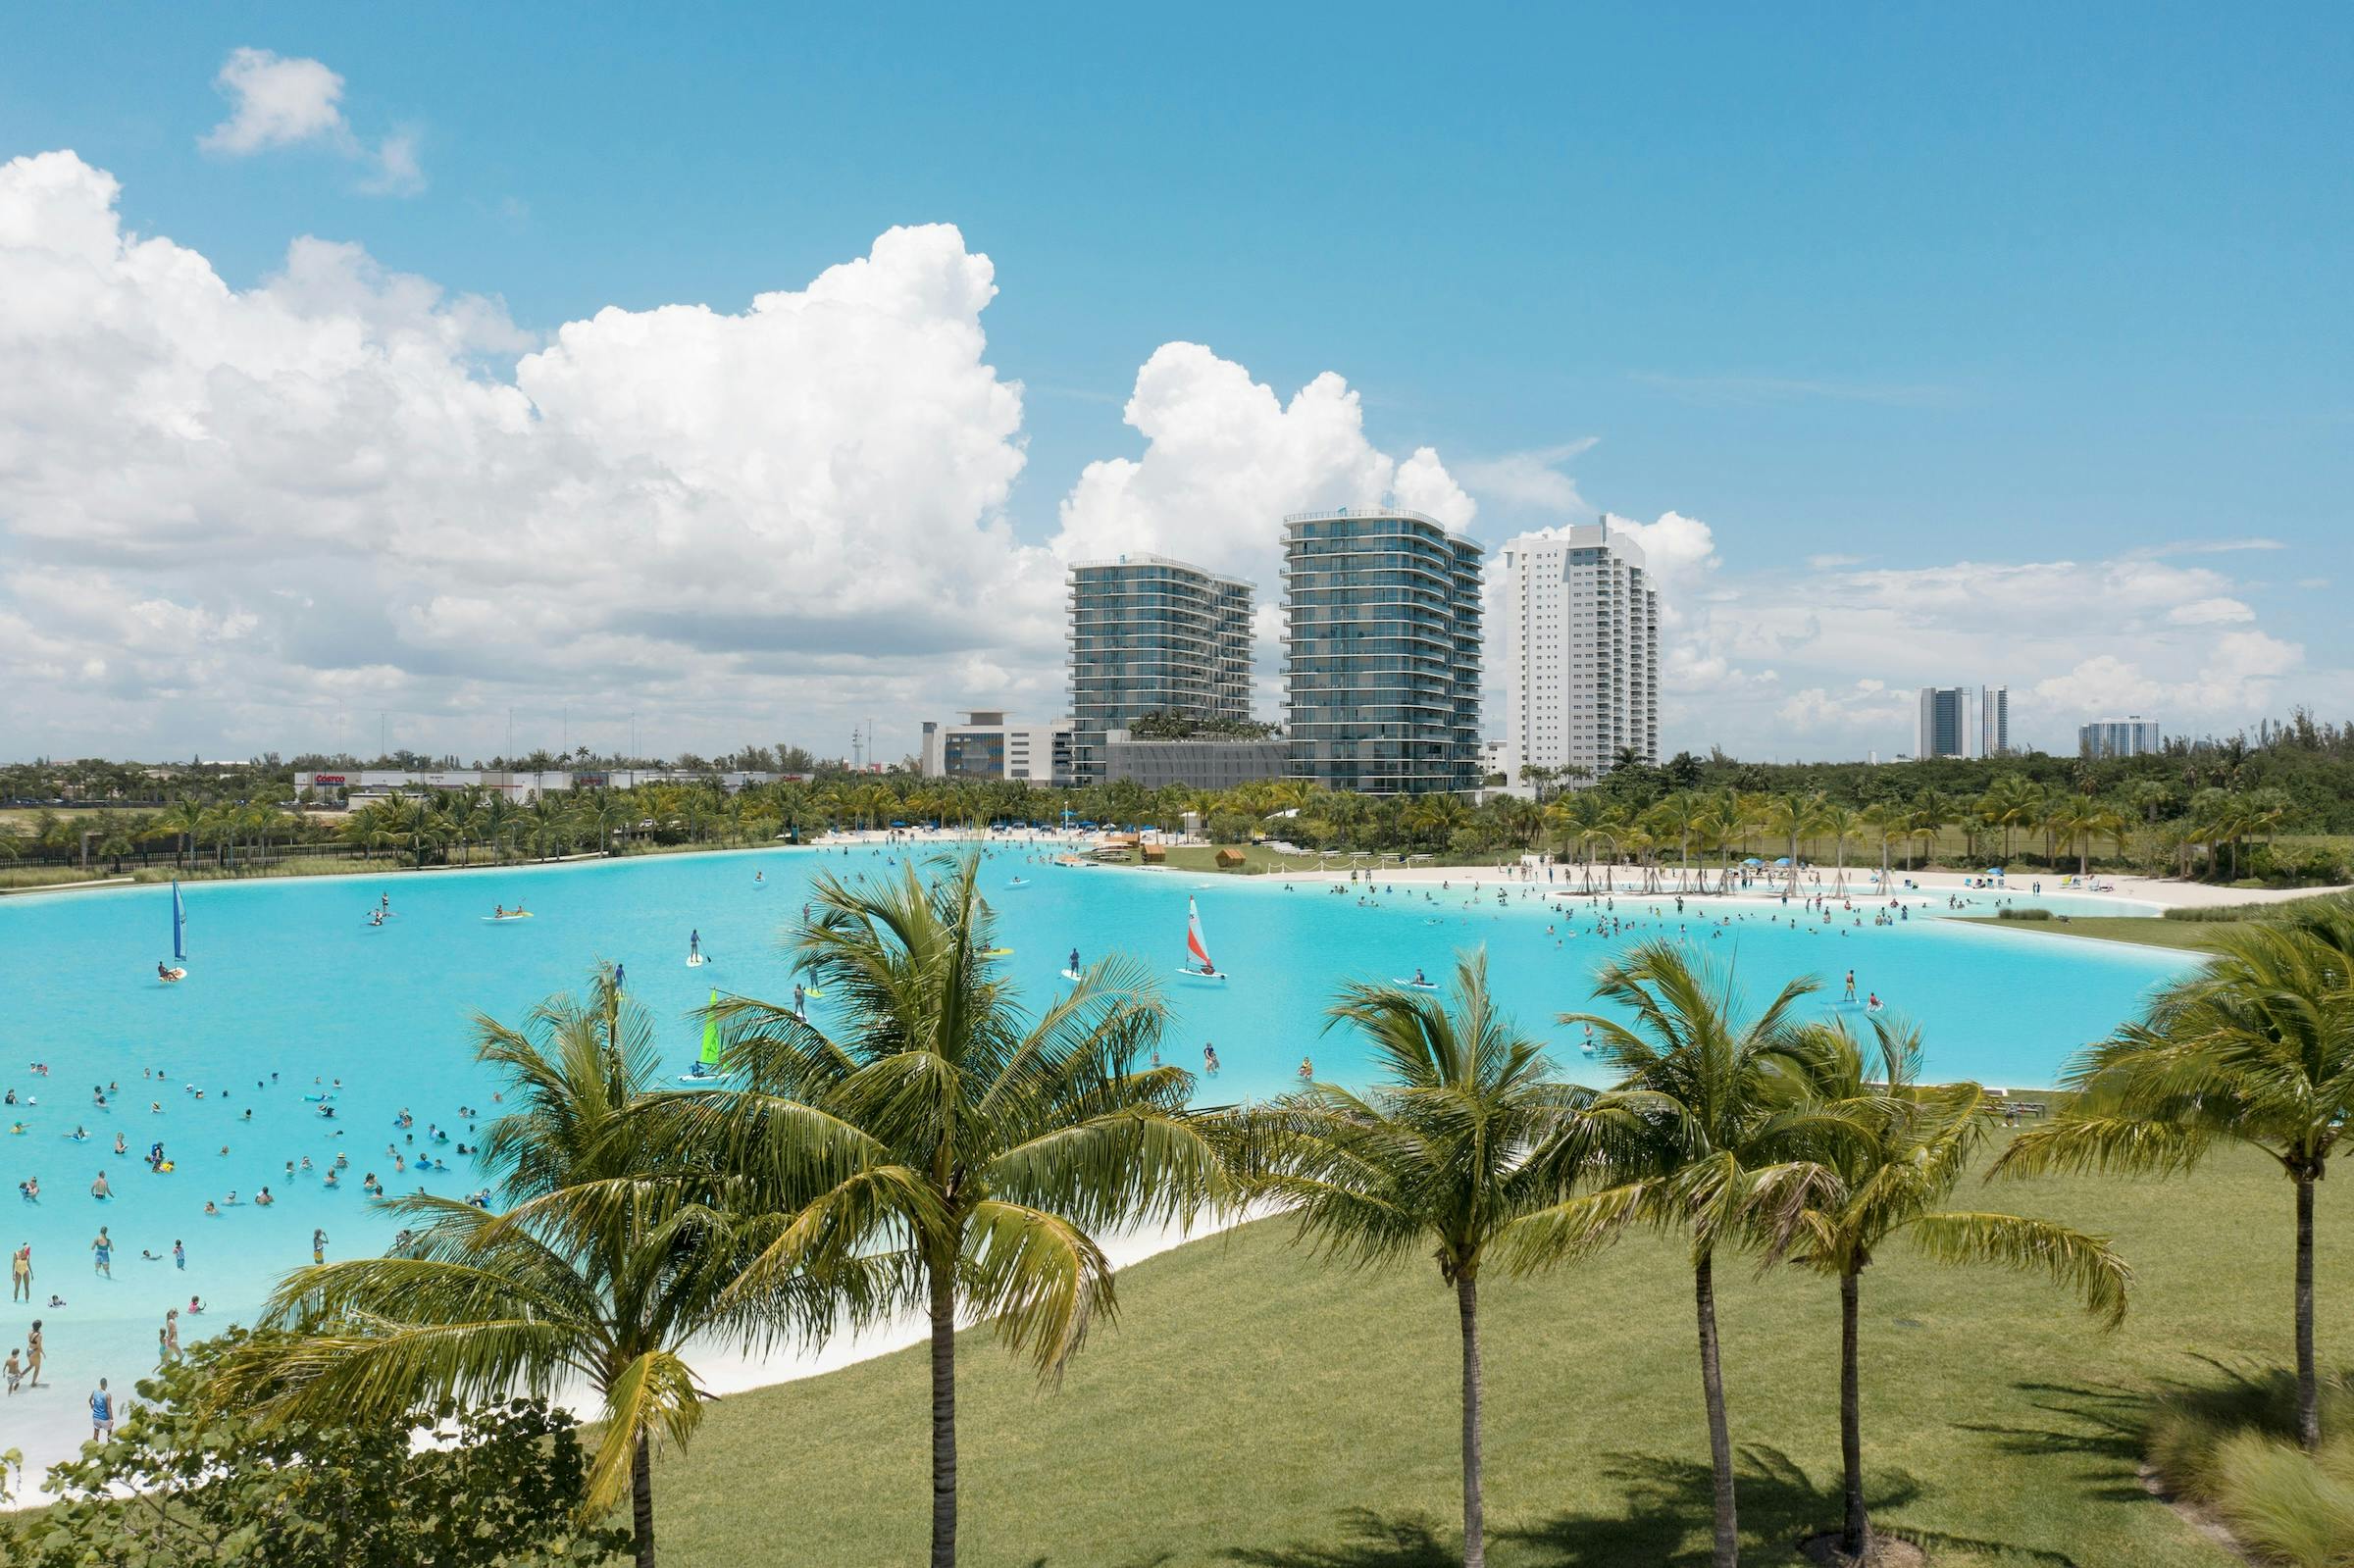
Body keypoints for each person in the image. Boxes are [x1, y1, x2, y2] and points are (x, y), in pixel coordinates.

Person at [90, 1377, 114, 1442]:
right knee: (109, 1433)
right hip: (104, 1418)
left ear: (100, 1384)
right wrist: (111, 1419)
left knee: (96, 1434)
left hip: (96, 1417)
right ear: (106, 1384)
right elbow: (109, 1408)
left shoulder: (94, 1392)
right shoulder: (107, 1395)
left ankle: (94, 1446)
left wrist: (91, 1405)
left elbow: (90, 1400)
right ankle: (109, 1446)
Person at [26, 1320, 44, 1388]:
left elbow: (31, 1341)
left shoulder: (30, 1332)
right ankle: (33, 1383)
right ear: (40, 1326)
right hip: (35, 1351)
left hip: (29, 1350)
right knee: (37, 1369)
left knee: (30, 1366)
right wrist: (43, 1353)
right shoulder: (39, 1335)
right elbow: (39, 1346)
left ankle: (20, 1375)